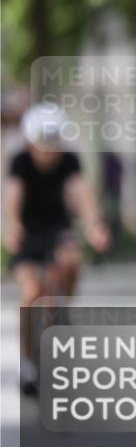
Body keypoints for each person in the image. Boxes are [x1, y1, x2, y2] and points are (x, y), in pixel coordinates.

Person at [3, 102, 109, 395]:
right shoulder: (20, 162)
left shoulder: (69, 161)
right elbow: (12, 198)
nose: (49, 150)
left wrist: (93, 225)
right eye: (43, 143)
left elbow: (81, 194)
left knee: (71, 260)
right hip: (29, 232)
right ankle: (28, 363)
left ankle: (62, 306)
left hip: (57, 228)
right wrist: (11, 226)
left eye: (54, 142)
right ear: (30, 141)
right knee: (30, 292)